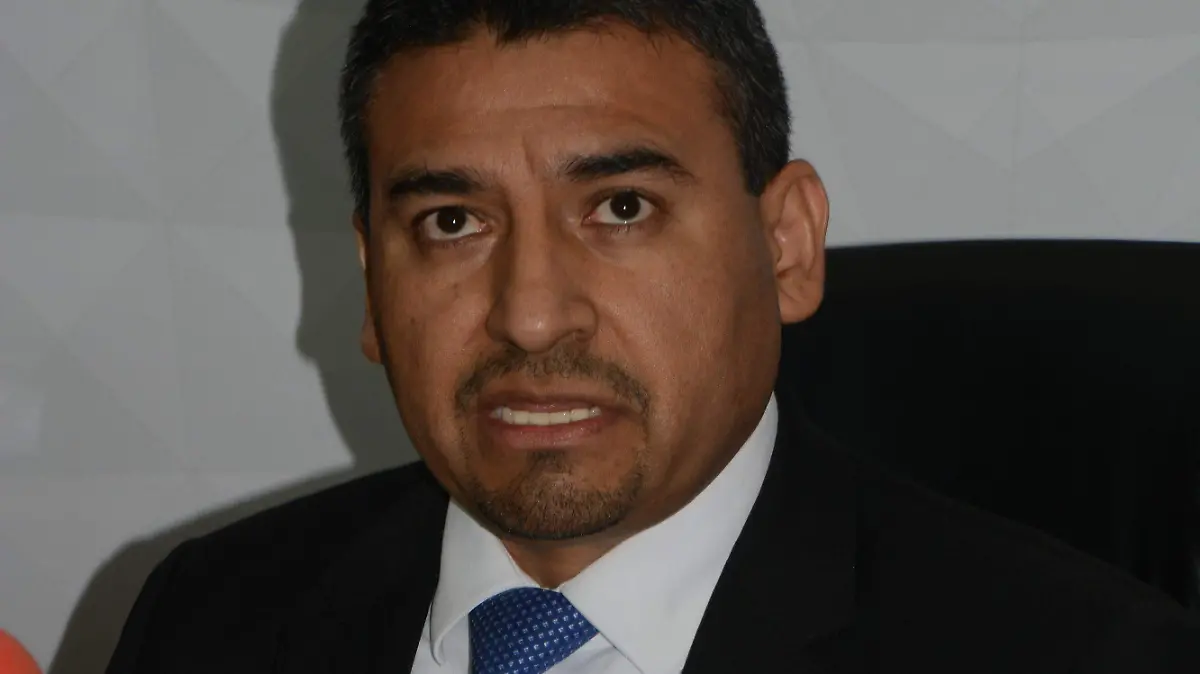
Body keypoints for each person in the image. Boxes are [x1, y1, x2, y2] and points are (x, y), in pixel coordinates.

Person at [106, 1, 1200, 672]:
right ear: (370, 283)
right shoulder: (207, 620)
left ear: (786, 244)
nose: (532, 312)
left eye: (620, 207)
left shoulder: (1083, 657)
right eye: (451, 222)